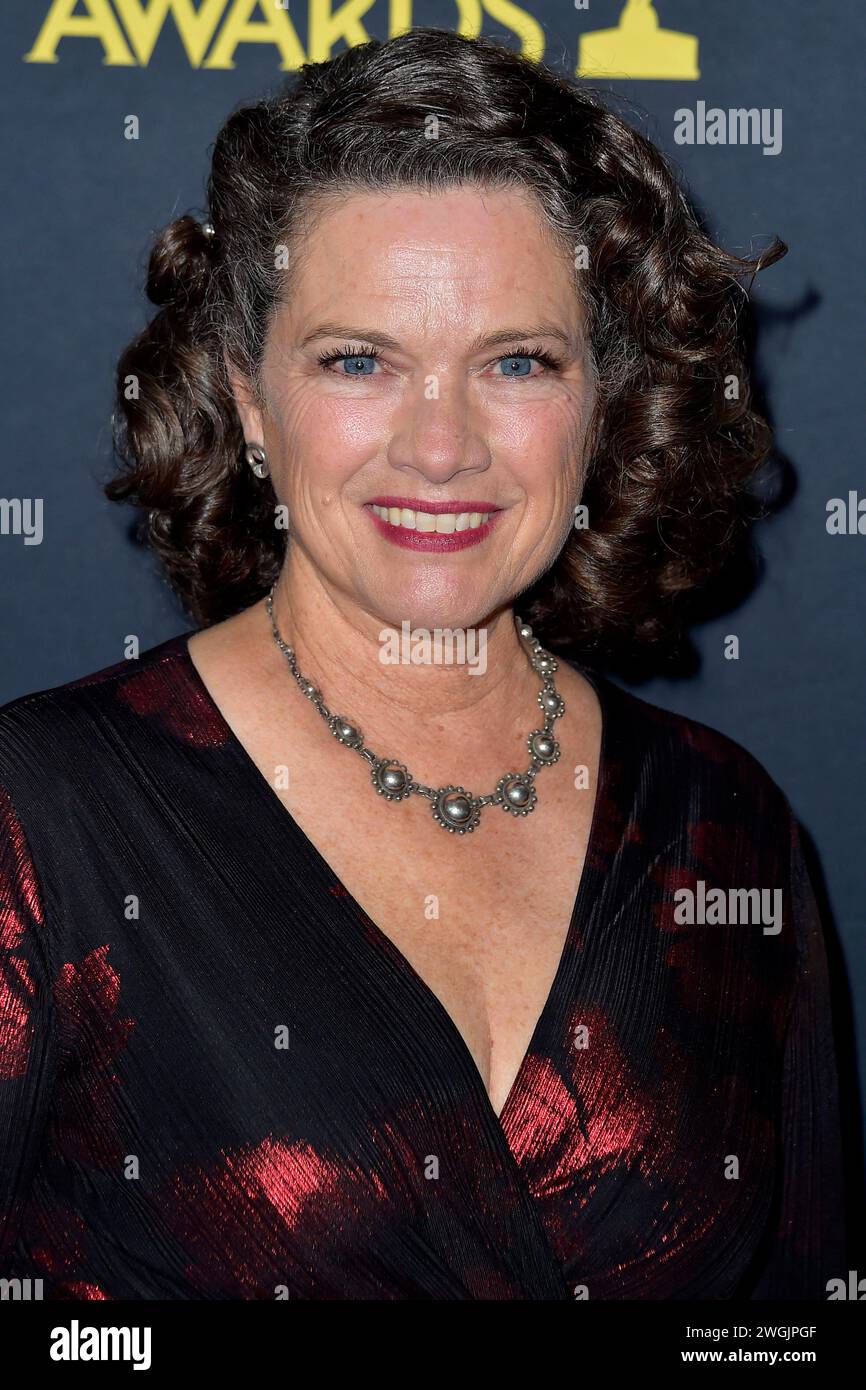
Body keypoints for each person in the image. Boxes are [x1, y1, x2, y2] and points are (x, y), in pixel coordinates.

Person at [0, 27, 845, 1300]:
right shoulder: (40, 814)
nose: (440, 447)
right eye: (358, 361)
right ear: (245, 394)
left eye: (516, 361)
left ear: (603, 399)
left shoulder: (723, 826)